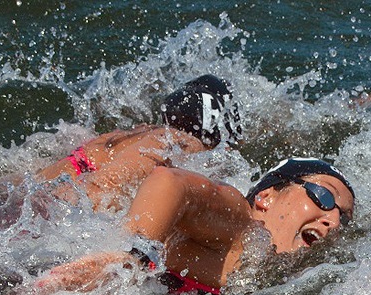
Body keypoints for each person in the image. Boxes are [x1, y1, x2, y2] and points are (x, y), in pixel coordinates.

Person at [35, 156, 356, 295]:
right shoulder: (242, 226)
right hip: (46, 280)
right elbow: (171, 183)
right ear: (267, 197)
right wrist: (131, 259)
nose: (334, 219)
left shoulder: (269, 275)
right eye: (323, 195)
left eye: (345, 216)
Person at [33, 74, 241, 213]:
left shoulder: (141, 130)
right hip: (55, 202)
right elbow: (101, 185)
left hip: (42, 182)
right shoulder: (183, 142)